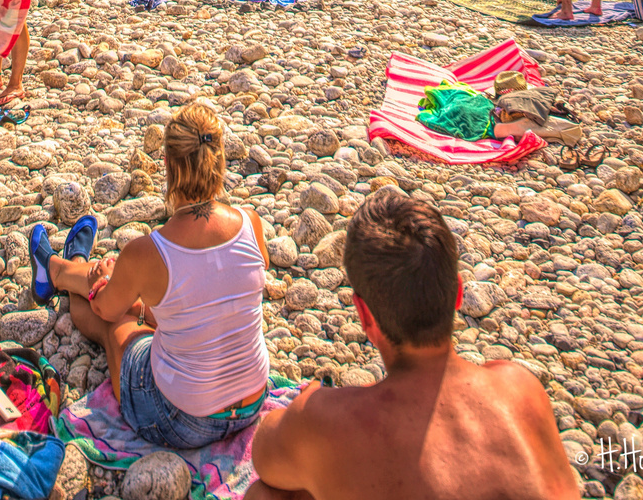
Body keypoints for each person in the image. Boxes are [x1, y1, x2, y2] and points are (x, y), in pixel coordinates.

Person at [245, 194, 580, 500]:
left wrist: (313, 403)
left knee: (270, 494)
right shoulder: (520, 388)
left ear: (365, 315)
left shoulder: (326, 421)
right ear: (458, 294)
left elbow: (265, 455)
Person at [27, 102, 271, 450]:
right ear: (220, 160)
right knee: (158, 305)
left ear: (168, 165)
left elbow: (106, 310)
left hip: (183, 420)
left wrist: (108, 281)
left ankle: (59, 270)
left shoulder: (150, 252)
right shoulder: (251, 222)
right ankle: (64, 267)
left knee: (114, 322)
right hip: (251, 402)